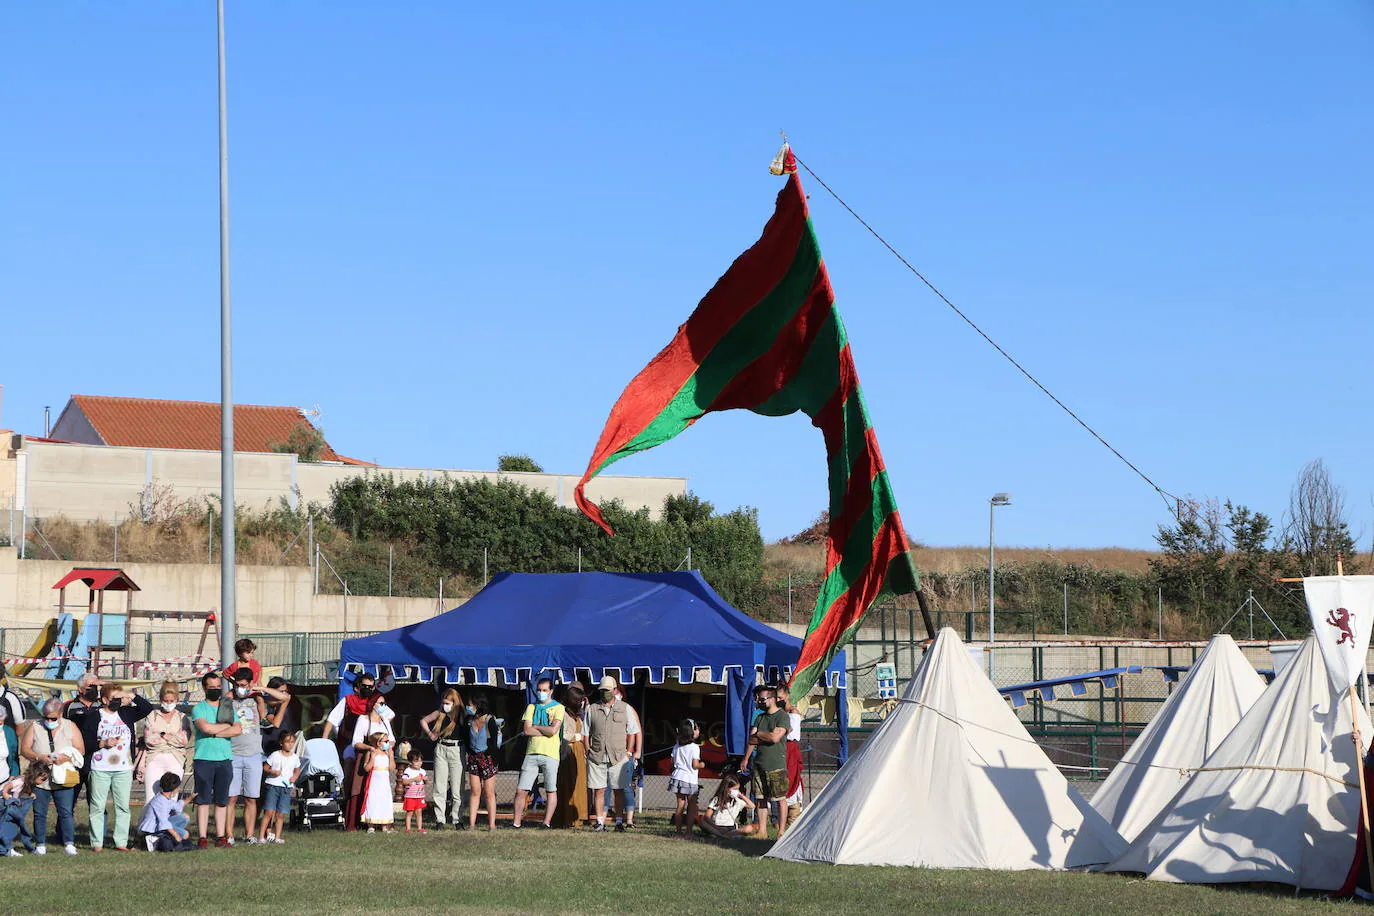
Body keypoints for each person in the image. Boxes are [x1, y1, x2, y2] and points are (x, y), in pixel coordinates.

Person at [81, 682, 152, 851]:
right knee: (97, 806)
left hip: (123, 768)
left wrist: (132, 695)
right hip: (100, 768)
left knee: (122, 807)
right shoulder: (94, 716)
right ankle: (96, 843)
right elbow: (85, 741)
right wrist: (102, 743)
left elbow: (147, 708)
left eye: (120, 698)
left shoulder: (125, 713)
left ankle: (121, 842)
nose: (118, 701)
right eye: (114, 698)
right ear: (105, 699)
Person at [226, 667, 288, 843]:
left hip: (253, 754)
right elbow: (223, 702)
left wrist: (260, 689)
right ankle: (229, 835)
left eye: (244, 685)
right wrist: (232, 691)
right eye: (238, 685)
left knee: (251, 798)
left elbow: (285, 697)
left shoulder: (257, 699)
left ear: (250, 684)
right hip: (233, 753)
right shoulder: (230, 699)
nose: (241, 688)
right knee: (231, 798)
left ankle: (249, 835)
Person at [21, 698, 85, 855]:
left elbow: (80, 749)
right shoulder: (35, 726)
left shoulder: (71, 727)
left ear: (61, 714)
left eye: (53, 718)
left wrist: (66, 758)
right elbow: (25, 749)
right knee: (39, 812)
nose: (49, 721)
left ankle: (69, 844)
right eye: (46, 717)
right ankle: (40, 845)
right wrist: (39, 757)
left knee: (65, 812)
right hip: (40, 777)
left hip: (63, 777)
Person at [191, 671, 242, 848]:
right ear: (204, 688)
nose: (215, 690)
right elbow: (204, 728)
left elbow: (237, 730)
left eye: (218, 687)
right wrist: (223, 728)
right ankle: (203, 837)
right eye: (211, 687)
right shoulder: (199, 708)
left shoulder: (227, 706)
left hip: (224, 759)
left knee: (222, 800)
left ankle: (221, 836)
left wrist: (215, 731)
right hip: (204, 758)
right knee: (203, 799)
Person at [585, 675, 635, 833]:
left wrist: (628, 752)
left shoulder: (625, 708)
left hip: (619, 756)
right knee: (598, 790)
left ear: (614, 690)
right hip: (597, 756)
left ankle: (619, 822)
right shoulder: (592, 708)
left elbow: (632, 731)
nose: (604, 693)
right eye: (602, 690)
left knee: (619, 790)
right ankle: (600, 822)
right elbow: (585, 732)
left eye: (607, 690)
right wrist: (588, 750)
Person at [512, 677, 562, 829]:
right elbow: (527, 730)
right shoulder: (531, 707)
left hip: (551, 754)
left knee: (550, 789)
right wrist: (544, 730)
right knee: (521, 790)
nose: (541, 693)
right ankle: (516, 822)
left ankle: (546, 823)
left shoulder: (559, 708)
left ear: (551, 691)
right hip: (532, 753)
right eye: (539, 690)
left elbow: (554, 730)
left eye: (545, 690)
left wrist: (537, 727)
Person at [744, 685, 791, 839]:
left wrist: (760, 734)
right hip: (759, 764)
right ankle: (762, 831)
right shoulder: (759, 717)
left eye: (762, 699)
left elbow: (775, 738)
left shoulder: (782, 716)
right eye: (758, 699)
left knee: (779, 799)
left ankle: (781, 831)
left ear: (772, 699)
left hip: (776, 764)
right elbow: (751, 739)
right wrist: (745, 759)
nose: (759, 701)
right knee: (760, 798)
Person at [136, 681, 192, 803]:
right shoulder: (152, 715)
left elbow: (184, 739)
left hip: (175, 759)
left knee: (172, 798)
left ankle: (168, 822)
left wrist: (161, 735)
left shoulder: (182, 717)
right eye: (166, 701)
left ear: (176, 699)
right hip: (154, 759)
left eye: (171, 701)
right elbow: (149, 740)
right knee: (151, 798)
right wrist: (169, 737)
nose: (168, 704)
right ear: (161, 699)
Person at [419, 687, 465, 830]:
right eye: (444, 702)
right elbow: (423, 721)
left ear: (455, 703)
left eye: (449, 703)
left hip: (456, 749)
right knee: (439, 786)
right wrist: (430, 733)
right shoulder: (439, 713)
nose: (446, 706)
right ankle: (440, 819)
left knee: (457, 788)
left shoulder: (461, 715)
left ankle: (458, 820)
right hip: (441, 749)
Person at [62, 671, 103, 804]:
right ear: (80, 689)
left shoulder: (102, 705)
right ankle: (64, 825)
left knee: (96, 801)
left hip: (97, 758)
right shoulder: (69, 706)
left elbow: (117, 691)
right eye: (90, 686)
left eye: (96, 686)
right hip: (75, 757)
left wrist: (103, 683)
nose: (93, 690)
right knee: (69, 801)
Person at [463, 694, 501, 831]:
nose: (469, 707)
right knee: (475, 791)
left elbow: (495, 742)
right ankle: (472, 824)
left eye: (471, 705)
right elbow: (467, 740)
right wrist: (471, 753)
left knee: (489, 792)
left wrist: (492, 760)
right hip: (473, 758)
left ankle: (492, 825)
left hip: (488, 759)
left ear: (478, 705)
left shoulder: (489, 720)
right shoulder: (469, 720)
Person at [554, 684, 588, 829]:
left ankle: (579, 816)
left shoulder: (578, 714)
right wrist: (577, 736)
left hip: (579, 752)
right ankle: (566, 817)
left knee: (579, 784)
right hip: (567, 752)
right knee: (567, 785)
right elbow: (562, 734)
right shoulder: (562, 713)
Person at [257, 731, 301, 844]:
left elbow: (297, 769)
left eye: (292, 742)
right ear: (281, 743)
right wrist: (273, 772)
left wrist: (295, 777)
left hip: (286, 787)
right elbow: (265, 767)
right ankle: (261, 837)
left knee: (280, 814)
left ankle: (277, 837)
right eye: (287, 742)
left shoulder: (295, 758)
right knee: (269, 812)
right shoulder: (275, 755)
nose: (290, 744)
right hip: (273, 785)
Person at [138, 772, 193, 852]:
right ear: (173, 788)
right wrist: (176, 835)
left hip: (161, 827)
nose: (179, 789)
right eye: (178, 787)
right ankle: (154, 840)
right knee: (184, 835)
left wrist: (191, 798)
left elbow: (178, 807)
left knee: (184, 817)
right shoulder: (160, 801)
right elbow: (163, 822)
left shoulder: (165, 798)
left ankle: (172, 837)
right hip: (152, 830)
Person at [0, 762, 45, 857]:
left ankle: (6, 848)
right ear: (36, 774)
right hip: (4, 804)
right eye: (43, 778)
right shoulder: (21, 780)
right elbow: (8, 786)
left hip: (9, 804)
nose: (44, 781)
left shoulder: (28, 782)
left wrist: (30, 794)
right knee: (10, 824)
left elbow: (19, 791)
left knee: (12, 824)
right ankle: (8, 848)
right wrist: (5, 795)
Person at [775, 683, 804, 824]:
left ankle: (793, 818)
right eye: (776, 697)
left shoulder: (793, 712)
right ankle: (779, 819)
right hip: (779, 748)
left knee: (791, 778)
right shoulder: (778, 713)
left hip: (790, 749)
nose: (778, 699)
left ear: (787, 696)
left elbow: (791, 733)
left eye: (780, 697)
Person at [669, 719, 704, 837]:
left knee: (680, 805)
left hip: (677, 777)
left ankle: (678, 832)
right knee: (691, 806)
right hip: (689, 779)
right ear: (692, 732)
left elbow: (673, 763)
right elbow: (695, 765)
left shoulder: (676, 746)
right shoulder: (694, 747)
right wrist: (702, 765)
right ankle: (688, 832)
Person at [696, 774, 756, 839]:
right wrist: (716, 827)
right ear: (726, 788)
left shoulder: (737, 801)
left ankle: (721, 835)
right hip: (717, 826)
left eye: (738, 789)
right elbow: (707, 816)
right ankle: (724, 835)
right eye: (735, 789)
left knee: (749, 828)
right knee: (702, 821)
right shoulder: (717, 800)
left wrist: (741, 796)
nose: (736, 791)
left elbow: (752, 806)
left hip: (730, 828)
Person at [359, 731, 395, 833]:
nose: (388, 743)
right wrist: (373, 758)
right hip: (374, 782)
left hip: (384, 782)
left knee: (384, 801)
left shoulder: (387, 753)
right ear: (378, 743)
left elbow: (392, 768)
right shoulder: (371, 752)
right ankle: (371, 825)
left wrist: (391, 756)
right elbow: (366, 768)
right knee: (373, 800)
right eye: (385, 741)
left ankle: (384, 825)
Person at [260, 677, 300, 757]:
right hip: (270, 746)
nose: (284, 694)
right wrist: (284, 704)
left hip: (285, 745)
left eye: (286, 691)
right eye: (281, 692)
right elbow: (276, 723)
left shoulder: (283, 704)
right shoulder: (266, 706)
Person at [400, 749, 428, 833]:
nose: (419, 763)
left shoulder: (422, 771)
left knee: (419, 812)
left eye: (420, 761)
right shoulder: (408, 771)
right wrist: (414, 779)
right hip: (410, 796)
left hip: (420, 795)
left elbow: (426, 782)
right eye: (416, 761)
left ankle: (419, 828)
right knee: (410, 812)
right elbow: (404, 781)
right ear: (410, 762)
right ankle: (408, 829)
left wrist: (425, 779)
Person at [0, 703, 19, 780]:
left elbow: (13, 755)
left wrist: (14, 773)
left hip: (4, 779)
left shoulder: (9, 732)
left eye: (0, 723)